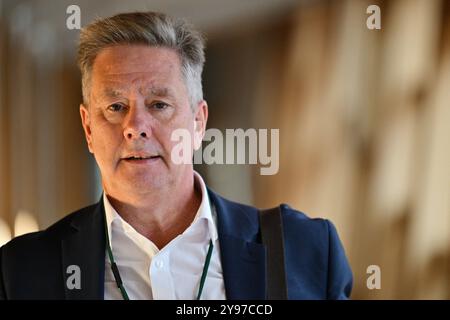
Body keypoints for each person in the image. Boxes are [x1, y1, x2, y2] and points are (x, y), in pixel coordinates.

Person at [0, 11, 352, 300]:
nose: (135, 126)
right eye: (116, 106)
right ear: (89, 128)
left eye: (159, 104)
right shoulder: (22, 272)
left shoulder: (305, 251)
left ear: (198, 123)